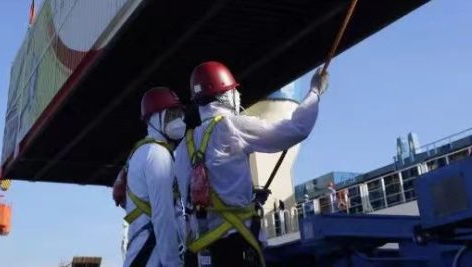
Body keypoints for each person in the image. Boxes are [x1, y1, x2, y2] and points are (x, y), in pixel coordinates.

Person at [175, 61, 327, 267]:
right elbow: (296, 129)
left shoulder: (185, 146)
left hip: (198, 253)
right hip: (234, 251)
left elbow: (203, 190)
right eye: (234, 91)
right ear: (226, 94)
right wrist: (315, 91)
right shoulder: (231, 126)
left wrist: (248, 197)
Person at [121, 87, 187, 267]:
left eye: (180, 114)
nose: (179, 121)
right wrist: (173, 263)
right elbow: (163, 216)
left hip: (143, 254)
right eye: (172, 115)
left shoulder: (142, 151)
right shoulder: (158, 154)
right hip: (153, 256)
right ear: (154, 119)